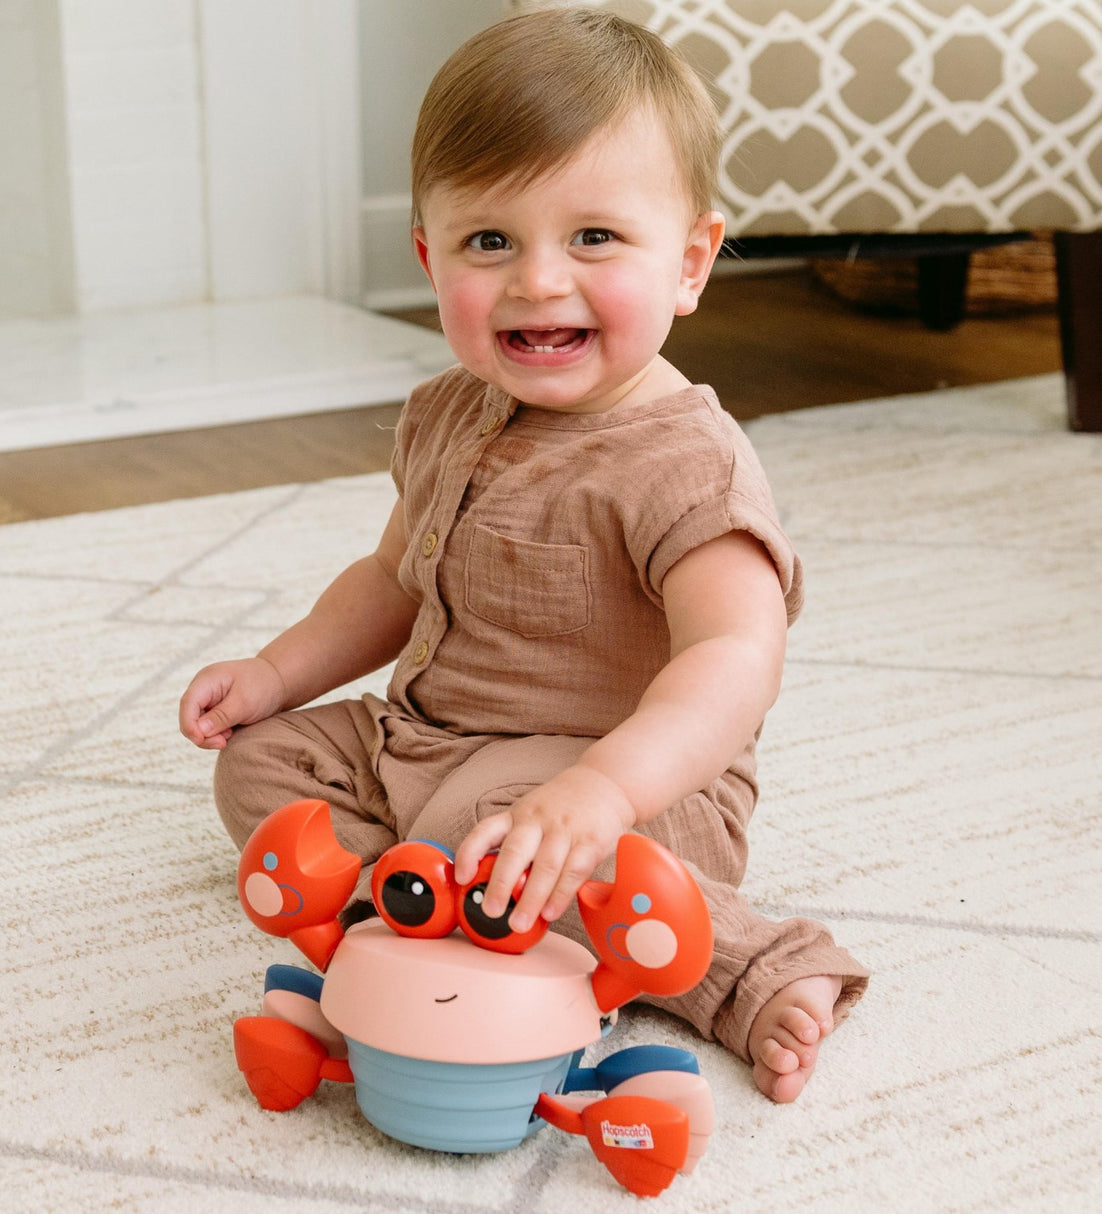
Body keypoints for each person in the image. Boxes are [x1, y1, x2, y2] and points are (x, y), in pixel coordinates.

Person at [179, 6, 868, 1103]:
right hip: (424, 739)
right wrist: (272, 674)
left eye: (593, 237)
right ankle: (410, 901)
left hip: (617, 783)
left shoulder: (683, 461)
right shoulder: (444, 411)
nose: (537, 281)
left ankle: (746, 964)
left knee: (499, 839)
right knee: (259, 765)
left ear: (690, 262)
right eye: (488, 240)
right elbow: (389, 581)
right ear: (427, 256)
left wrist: (600, 788)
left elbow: (736, 653)